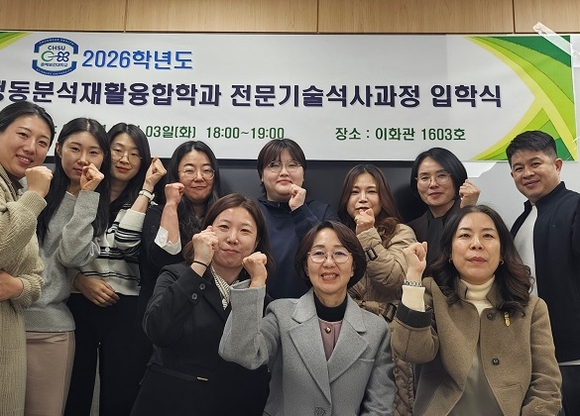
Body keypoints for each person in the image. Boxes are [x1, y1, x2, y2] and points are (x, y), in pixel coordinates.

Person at [391, 205, 562, 415]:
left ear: (502, 253)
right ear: (450, 252)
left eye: (488, 236)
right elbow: (412, 351)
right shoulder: (431, 294)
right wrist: (413, 278)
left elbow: (546, 384)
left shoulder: (532, 308)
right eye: (465, 235)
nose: (476, 244)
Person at [220, 221, 395, 415]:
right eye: (319, 253)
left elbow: (380, 405)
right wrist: (256, 283)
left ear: (353, 266)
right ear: (305, 265)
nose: (329, 263)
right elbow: (241, 352)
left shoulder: (376, 329)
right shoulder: (281, 314)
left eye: (339, 253)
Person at [131, 193, 272, 416]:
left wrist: (255, 286)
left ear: (256, 242)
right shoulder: (176, 275)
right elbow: (157, 331)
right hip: (172, 402)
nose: (233, 238)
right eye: (224, 227)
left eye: (245, 231)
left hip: (234, 405)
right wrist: (199, 264)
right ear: (207, 231)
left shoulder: (259, 294)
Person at [63, 124, 166, 415]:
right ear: (106, 153)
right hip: (78, 301)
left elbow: (126, 242)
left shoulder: (148, 203)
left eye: (134, 154)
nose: (124, 159)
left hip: (127, 305)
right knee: (74, 388)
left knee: (121, 392)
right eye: (118, 150)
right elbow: (60, 251)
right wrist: (78, 280)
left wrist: (146, 189)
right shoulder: (82, 192)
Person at [28, 118, 109, 416]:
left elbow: (71, 257)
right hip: (8, 319)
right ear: (59, 148)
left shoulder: (95, 205)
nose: (83, 159)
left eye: (93, 152)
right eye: (75, 148)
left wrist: (84, 198)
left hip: (52, 328)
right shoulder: (32, 186)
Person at [507, 130, 580, 416]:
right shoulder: (520, 221)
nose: (527, 173)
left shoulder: (575, 207)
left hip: (574, 360)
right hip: (534, 361)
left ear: (557, 165)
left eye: (535, 163)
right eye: (518, 168)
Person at [337, 164, 416, 416]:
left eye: (371, 191)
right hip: (346, 334)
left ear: (383, 197)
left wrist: (367, 234)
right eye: (354, 192)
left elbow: (394, 279)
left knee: (390, 406)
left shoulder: (401, 232)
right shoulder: (336, 234)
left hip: (390, 335)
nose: (362, 198)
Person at [0, 101, 54, 415]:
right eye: (23, 134)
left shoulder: (17, 192)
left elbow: (36, 277)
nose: (31, 148)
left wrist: (17, 287)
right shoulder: (29, 195)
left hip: (9, 341)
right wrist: (35, 194)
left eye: (42, 142)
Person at [137, 140, 222, 325]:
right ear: (176, 175)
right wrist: (171, 204)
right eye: (189, 170)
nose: (199, 177)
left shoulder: (223, 217)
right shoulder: (157, 213)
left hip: (211, 314)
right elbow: (164, 258)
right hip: (164, 312)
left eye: (207, 170)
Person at [256, 138, 339, 299]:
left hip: (314, 307)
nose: (284, 172)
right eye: (274, 165)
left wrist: (300, 210)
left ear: (303, 174)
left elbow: (332, 255)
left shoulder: (323, 212)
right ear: (261, 175)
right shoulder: (250, 212)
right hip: (259, 306)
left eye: (293, 165)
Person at [408, 147, 480, 266]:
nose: (433, 184)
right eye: (425, 178)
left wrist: (468, 212)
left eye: (441, 175)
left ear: (456, 178)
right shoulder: (411, 229)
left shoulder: (481, 219)